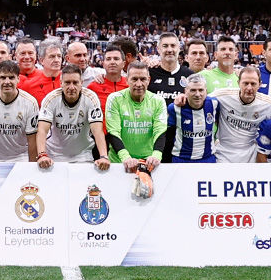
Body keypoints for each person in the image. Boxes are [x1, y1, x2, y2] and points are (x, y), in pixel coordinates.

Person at [105, 64, 165, 197]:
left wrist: (156, 155)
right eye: (134, 79)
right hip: (120, 164)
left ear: (149, 80)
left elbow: (160, 131)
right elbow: (113, 131)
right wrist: (126, 158)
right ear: (127, 80)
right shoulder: (114, 99)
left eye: (143, 79)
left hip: (148, 165)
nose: (139, 84)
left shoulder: (158, 101)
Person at [36, 66, 110, 170]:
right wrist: (42, 155)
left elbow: (97, 131)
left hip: (83, 155)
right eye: (67, 82)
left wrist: (103, 156)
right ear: (61, 83)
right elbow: (42, 130)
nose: (71, 87)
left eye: (75, 82)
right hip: (54, 155)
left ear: (81, 83)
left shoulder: (91, 98)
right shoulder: (50, 99)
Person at [208, 67, 271, 164]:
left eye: (253, 84)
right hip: (224, 151)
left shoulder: (268, 104)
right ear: (238, 83)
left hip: (251, 152)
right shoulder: (222, 96)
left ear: (260, 85)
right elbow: (199, 101)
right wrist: (182, 98)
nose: (249, 88)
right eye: (245, 83)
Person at [161, 75, 220, 164]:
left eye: (201, 90)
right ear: (186, 91)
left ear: (206, 91)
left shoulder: (214, 103)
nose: (197, 94)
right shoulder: (175, 108)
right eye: (193, 90)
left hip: (207, 159)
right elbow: (167, 135)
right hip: (181, 159)